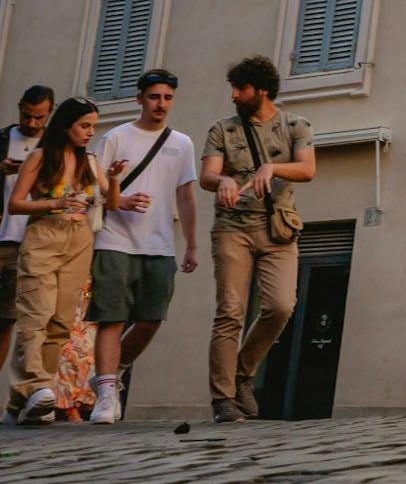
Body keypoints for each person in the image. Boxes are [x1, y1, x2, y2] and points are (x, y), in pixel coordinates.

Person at [200, 56, 316, 423]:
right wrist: (225, 181)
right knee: (230, 312)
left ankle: (243, 373)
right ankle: (223, 399)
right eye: (232, 88)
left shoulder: (295, 125)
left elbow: (307, 169)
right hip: (232, 228)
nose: (234, 95)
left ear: (261, 90)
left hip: (277, 227)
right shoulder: (222, 129)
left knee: (281, 306)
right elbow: (207, 175)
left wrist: (273, 167)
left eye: (241, 89)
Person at [87, 69, 199, 423]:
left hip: (160, 244)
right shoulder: (115, 138)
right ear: (139, 98)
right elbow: (90, 188)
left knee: (152, 319)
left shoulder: (181, 143)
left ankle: (112, 369)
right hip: (114, 240)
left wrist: (192, 244)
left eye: (167, 98)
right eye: (154, 97)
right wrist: (118, 202)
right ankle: (107, 394)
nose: (161, 104)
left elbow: (185, 196)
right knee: (112, 318)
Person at [4, 97, 114, 425]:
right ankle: (36, 386)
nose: (89, 132)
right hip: (43, 238)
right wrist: (53, 203)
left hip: (79, 241)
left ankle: (23, 402)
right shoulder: (40, 157)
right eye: (84, 126)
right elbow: (16, 204)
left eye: (93, 126)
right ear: (66, 125)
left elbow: (110, 199)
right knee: (34, 316)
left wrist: (118, 180)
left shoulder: (90, 162)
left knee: (61, 323)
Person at [0, 85, 55, 373]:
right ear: (19, 108)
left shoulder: (55, 147)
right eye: (26, 116)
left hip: (30, 241)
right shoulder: (2, 138)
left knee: (7, 319)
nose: (31, 123)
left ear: (50, 114)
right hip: (1, 235)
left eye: (39, 118)